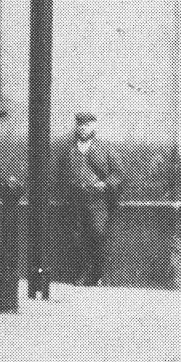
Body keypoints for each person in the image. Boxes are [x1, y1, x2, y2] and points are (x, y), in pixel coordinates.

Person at [54, 112, 123, 286]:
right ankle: (84, 271)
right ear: (77, 127)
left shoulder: (105, 147)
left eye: (87, 125)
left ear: (94, 126)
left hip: (98, 201)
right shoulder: (69, 150)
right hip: (76, 200)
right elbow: (61, 175)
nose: (83, 129)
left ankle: (97, 273)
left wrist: (105, 184)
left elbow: (119, 173)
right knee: (77, 237)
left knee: (98, 234)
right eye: (80, 125)